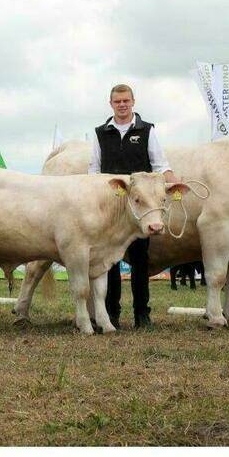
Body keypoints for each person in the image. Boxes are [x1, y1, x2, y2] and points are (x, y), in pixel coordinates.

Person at [88, 83, 179, 329]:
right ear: (111, 104)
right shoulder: (100, 133)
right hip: (113, 207)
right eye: (117, 101)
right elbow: (94, 170)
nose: (122, 105)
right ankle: (111, 313)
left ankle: (142, 314)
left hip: (141, 208)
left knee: (140, 260)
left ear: (133, 102)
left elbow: (160, 164)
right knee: (110, 262)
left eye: (126, 101)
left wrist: (174, 184)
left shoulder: (147, 130)